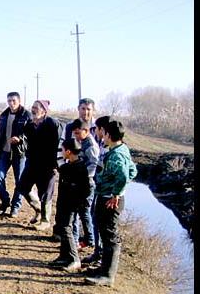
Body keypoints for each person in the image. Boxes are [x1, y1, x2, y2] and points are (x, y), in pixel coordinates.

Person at [85, 121, 137, 287]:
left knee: (110, 237)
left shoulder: (116, 155)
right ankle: (103, 269)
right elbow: (133, 171)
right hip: (107, 196)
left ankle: (108, 275)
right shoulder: (122, 149)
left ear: (108, 135)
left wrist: (116, 194)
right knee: (106, 233)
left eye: (104, 133)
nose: (102, 136)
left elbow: (123, 175)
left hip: (110, 199)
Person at [53, 98, 97, 241]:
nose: (86, 112)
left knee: (87, 210)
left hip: (89, 177)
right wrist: (61, 166)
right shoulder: (70, 126)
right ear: (78, 109)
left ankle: (90, 240)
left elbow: (97, 156)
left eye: (88, 109)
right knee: (66, 207)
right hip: (69, 173)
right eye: (83, 108)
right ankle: (67, 235)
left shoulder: (97, 127)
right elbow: (61, 147)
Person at [16, 100, 63, 230]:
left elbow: (59, 144)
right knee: (23, 187)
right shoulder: (30, 125)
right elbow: (24, 137)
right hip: (32, 163)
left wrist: (57, 164)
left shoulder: (52, 124)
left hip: (48, 165)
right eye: (32, 107)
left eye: (36, 108)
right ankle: (38, 209)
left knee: (45, 192)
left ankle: (45, 220)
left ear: (44, 110)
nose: (33, 110)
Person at [0, 92, 33, 218]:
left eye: (14, 100)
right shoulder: (4, 115)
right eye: (9, 101)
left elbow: (30, 134)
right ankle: (5, 201)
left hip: (19, 154)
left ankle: (15, 207)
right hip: (4, 153)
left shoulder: (26, 116)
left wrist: (20, 138)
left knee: (20, 181)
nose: (11, 103)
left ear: (19, 101)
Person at [50, 138, 91, 272]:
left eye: (62, 150)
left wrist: (77, 203)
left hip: (70, 204)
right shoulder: (69, 166)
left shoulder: (79, 168)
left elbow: (85, 190)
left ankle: (74, 259)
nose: (61, 152)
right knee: (62, 228)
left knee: (67, 229)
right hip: (63, 203)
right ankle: (64, 256)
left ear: (68, 151)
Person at [82, 115, 111, 266]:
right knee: (95, 218)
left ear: (102, 129)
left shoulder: (110, 149)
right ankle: (97, 252)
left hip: (107, 193)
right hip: (98, 189)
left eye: (97, 129)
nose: (95, 132)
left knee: (104, 225)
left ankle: (102, 258)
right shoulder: (102, 144)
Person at [70, 119, 100, 250]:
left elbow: (94, 164)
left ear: (86, 131)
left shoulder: (91, 145)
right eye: (74, 134)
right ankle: (77, 239)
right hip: (80, 182)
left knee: (84, 213)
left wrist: (82, 177)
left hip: (86, 183)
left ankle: (90, 240)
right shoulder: (82, 142)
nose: (75, 136)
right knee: (78, 212)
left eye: (77, 133)